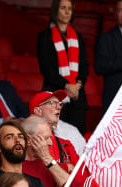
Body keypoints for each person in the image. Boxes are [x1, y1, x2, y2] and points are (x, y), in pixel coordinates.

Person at [36, 0, 89, 133]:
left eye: (69, 9)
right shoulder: (44, 37)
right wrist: (66, 86)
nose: (67, 12)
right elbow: (46, 69)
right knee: (55, 137)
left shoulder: (79, 38)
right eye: (63, 8)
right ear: (55, 11)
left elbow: (84, 67)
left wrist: (77, 86)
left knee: (77, 138)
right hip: (54, 96)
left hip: (76, 97)